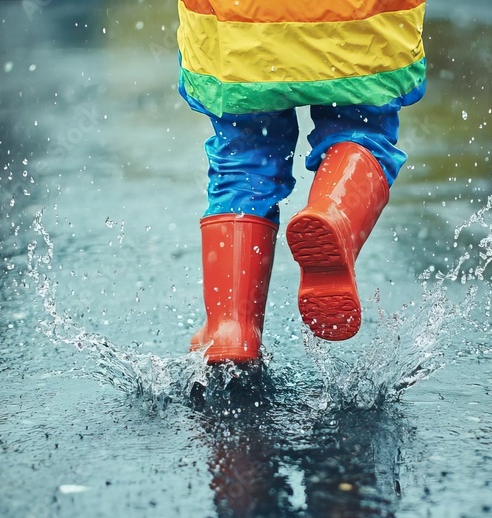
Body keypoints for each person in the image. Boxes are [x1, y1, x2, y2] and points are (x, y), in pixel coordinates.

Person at [177, 0, 427, 363]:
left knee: (244, 158)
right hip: (356, 21)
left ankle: (231, 329)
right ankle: (335, 213)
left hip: (243, 24)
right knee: (360, 131)